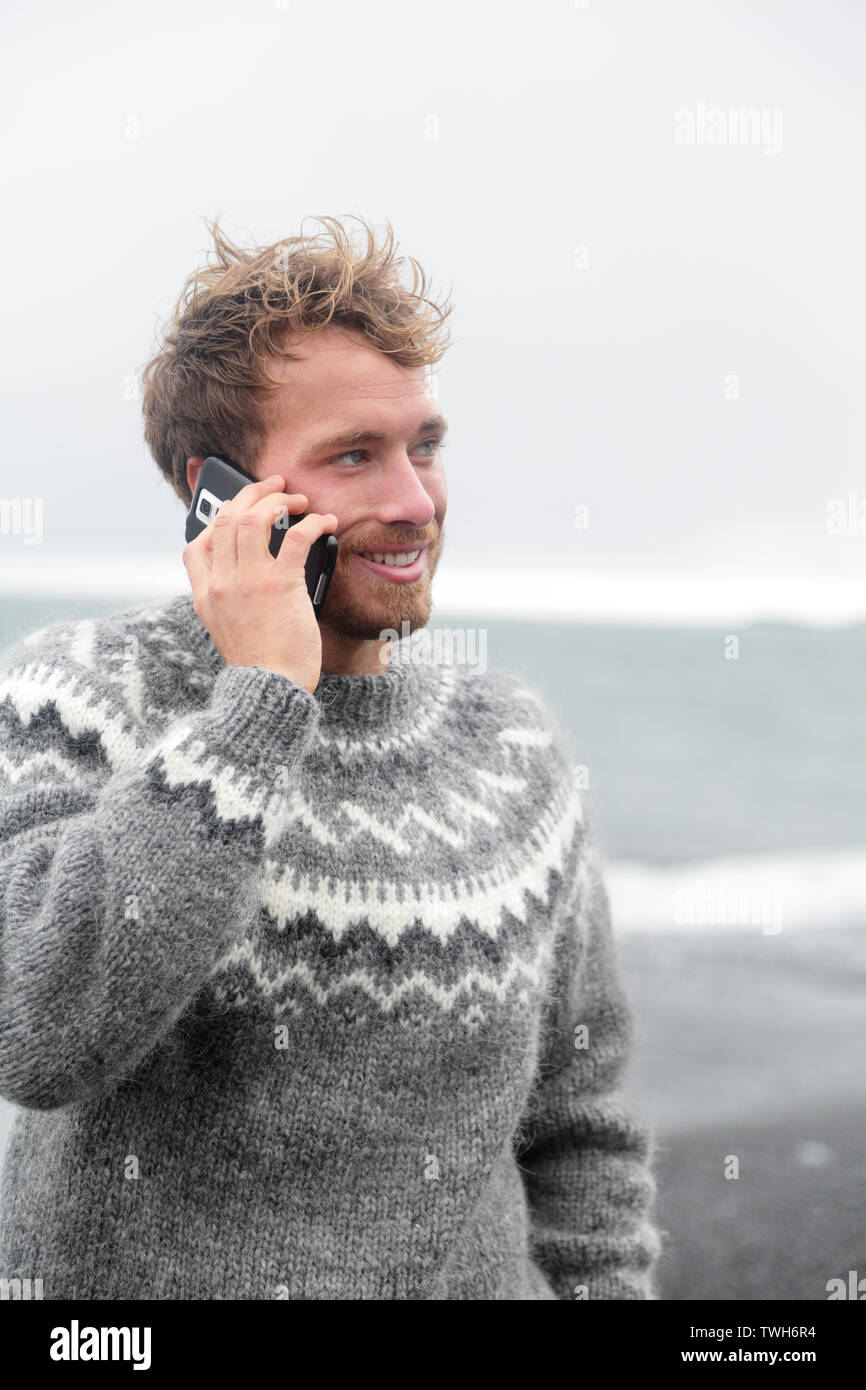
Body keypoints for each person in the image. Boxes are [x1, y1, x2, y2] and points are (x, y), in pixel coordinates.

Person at [0, 215, 661, 1299]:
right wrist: (258, 702)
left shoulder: (513, 749)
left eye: (424, 446)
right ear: (217, 489)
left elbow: (579, 1122)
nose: (414, 502)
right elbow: (38, 1036)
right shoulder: (79, 698)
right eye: (354, 455)